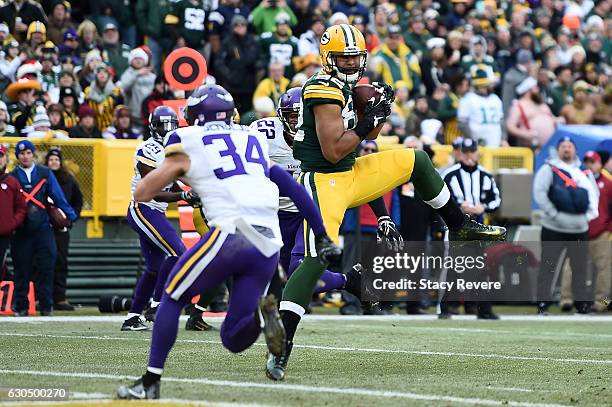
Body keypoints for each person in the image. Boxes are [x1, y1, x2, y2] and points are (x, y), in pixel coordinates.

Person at [266, 24, 506, 382]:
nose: (350, 65)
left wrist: (379, 112)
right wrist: (365, 122)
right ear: (328, 58)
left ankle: (458, 226)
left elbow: (368, 137)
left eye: (354, 58)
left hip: (351, 172)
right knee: (317, 260)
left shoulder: (349, 85)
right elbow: (333, 151)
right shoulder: (321, 87)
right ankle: (281, 346)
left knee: (418, 161)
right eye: (343, 59)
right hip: (324, 179)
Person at [116, 84, 341, 399]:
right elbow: (291, 186)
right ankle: (263, 318)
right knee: (233, 338)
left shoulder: (188, 139)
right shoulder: (251, 138)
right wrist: (321, 234)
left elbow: (141, 194)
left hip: (232, 232)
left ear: (195, 115)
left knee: (171, 296)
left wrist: (180, 181)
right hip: (267, 242)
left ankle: (150, 382)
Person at [251, 88, 361, 303]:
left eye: (302, 117)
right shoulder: (263, 133)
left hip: (307, 212)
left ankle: (345, 281)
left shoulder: (324, 136)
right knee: (277, 275)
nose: (297, 123)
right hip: (274, 213)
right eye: (293, 117)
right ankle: (348, 280)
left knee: (298, 269)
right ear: (281, 116)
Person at [10, 140, 77, 316]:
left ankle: (47, 307)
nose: (25, 156)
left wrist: (70, 215)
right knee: (21, 270)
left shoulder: (45, 173)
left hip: (43, 228)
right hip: (21, 230)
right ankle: (21, 306)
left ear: (33, 154)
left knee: (47, 267)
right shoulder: (13, 176)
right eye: (22, 153)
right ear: (18, 156)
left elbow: (57, 195)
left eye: (28, 153)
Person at [533, 137, 599, 315]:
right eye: (563, 146)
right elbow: (540, 193)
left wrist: (588, 216)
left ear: (575, 150)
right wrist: (553, 214)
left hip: (579, 229)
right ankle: (542, 305)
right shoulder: (549, 169)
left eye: (570, 146)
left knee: (579, 269)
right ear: (558, 149)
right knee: (549, 267)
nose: (567, 149)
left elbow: (594, 194)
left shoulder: (584, 172)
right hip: (553, 228)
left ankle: (582, 306)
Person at [441, 138, 501, 319]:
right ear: (460, 153)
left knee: (482, 268)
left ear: (476, 153)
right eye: (465, 152)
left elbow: (496, 199)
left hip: (479, 227)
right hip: (457, 226)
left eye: (471, 152)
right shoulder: (450, 174)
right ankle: (445, 308)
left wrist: (483, 207)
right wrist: (459, 207)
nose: (468, 155)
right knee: (453, 268)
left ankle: (483, 309)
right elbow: (442, 198)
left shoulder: (486, 175)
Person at [45, 148, 82, 311]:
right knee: (42, 262)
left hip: (61, 229)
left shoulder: (69, 180)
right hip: (43, 228)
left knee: (61, 261)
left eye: (56, 159)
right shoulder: (41, 178)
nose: (53, 162)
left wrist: (70, 220)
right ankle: (42, 297)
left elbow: (78, 201)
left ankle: (59, 298)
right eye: (51, 159)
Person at [582, 151, 612, 313]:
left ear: (600, 163)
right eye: (586, 162)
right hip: (580, 231)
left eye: (592, 162)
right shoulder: (578, 180)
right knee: (572, 267)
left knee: (604, 269)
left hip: (602, 232)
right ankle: (568, 300)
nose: (589, 165)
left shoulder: (608, 183)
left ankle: (603, 302)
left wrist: (609, 229)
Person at [506, 77, 558, 149]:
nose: (538, 89)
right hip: (530, 148)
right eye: (535, 87)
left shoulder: (542, 104)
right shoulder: (518, 106)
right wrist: (524, 134)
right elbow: (510, 127)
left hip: (550, 147)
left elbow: (552, 119)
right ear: (528, 89)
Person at [457, 67, 504, 147]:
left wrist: (503, 138)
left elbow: (501, 121)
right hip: (476, 147)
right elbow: (462, 124)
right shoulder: (468, 99)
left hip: (496, 145)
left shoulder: (495, 99)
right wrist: (473, 138)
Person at [0, 144, 27, 276]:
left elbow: (21, 207)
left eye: (1, 156)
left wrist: (11, 223)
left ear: (5, 158)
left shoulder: (12, 182)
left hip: (3, 236)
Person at [119, 48, 155, 131]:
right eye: (135, 58)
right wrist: (137, 74)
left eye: (140, 58)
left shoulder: (151, 76)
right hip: (133, 116)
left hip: (148, 115)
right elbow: (124, 86)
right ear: (131, 61)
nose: (138, 61)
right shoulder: (128, 74)